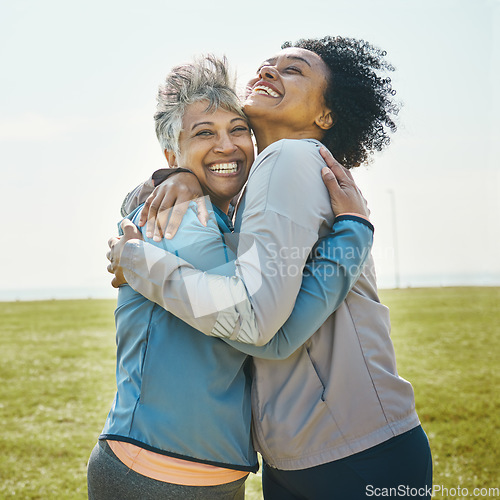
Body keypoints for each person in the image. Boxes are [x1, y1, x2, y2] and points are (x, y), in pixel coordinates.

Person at [110, 37, 433, 499]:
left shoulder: (289, 158)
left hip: (347, 449)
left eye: (294, 70)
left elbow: (260, 326)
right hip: (308, 451)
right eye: (265, 65)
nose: (267, 72)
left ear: (325, 115)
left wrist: (136, 261)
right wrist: (172, 177)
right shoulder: (253, 187)